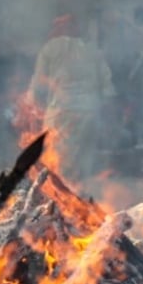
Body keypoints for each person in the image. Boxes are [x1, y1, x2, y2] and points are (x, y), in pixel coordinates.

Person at [27, 13, 116, 181]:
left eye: (58, 25)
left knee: (55, 157)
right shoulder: (94, 50)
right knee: (82, 158)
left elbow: (39, 79)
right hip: (89, 112)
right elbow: (107, 88)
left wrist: (35, 101)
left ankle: (60, 196)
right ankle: (76, 193)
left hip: (61, 112)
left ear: (63, 28)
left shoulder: (50, 47)